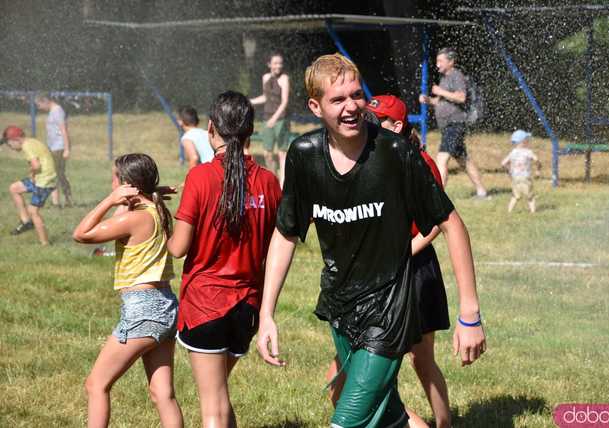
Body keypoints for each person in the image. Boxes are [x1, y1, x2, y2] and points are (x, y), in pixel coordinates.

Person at [257, 53, 486, 428]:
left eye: (356, 95)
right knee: (388, 418)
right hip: (341, 307)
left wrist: (470, 313)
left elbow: (451, 223)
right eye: (338, 100)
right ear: (315, 106)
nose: (351, 107)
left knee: (345, 422)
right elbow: (286, 233)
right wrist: (267, 314)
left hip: (390, 311)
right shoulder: (304, 156)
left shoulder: (395, 153)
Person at [324, 95, 453, 428]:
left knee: (420, 360)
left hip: (414, 270)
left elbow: (440, 223)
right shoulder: (370, 157)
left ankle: (441, 424)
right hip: (376, 274)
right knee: (345, 367)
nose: (365, 122)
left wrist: (400, 254)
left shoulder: (420, 161)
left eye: (375, 118)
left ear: (396, 126)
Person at [167, 91, 281, 427]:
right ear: (251, 130)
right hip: (247, 309)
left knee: (212, 410)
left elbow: (178, 248)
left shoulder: (201, 177)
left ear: (211, 128)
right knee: (220, 397)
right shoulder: (270, 183)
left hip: (206, 304)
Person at [72, 153, 183, 428]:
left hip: (143, 310)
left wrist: (110, 200)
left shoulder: (134, 219)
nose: (111, 183)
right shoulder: (156, 209)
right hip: (167, 306)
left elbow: (82, 234)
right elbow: (144, 201)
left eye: (114, 178)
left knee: (96, 385)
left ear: (125, 183)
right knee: (162, 394)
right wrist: (150, 192)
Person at [418, 48, 488, 198]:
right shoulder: (445, 78)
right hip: (448, 125)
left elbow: (461, 97)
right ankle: (482, 191)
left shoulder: (457, 76)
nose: (437, 64)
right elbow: (442, 101)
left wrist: (440, 92)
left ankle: (438, 197)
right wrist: (429, 100)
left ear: (451, 62)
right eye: (437, 61)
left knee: (441, 159)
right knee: (464, 160)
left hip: (455, 124)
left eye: (440, 61)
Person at [2, 125, 57, 245]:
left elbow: (36, 166)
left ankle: (45, 243)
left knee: (33, 211)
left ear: (15, 139)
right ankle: (26, 222)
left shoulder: (27, 146)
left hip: (44, 182)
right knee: (14, 188)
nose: (9, 147)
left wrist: (31, 173)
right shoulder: (32, 141)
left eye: (9, 144)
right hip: (40, 178)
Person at [250, 52, 290, 186]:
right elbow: (265, 97)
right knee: (267, 153)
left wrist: (274, 118)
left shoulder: (285, 78)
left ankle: (282, 182)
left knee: (282, 153)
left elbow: (284, 102)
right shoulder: (265, 77)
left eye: (280, 63)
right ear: (269, 64)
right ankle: (273, 179)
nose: (278, 65)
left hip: (281, 119)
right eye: (275, 63)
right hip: (267, 118)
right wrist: (250, 101)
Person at [35, 94, 74, 207]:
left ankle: (63, 200)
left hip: (59, 148)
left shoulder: (57, 111)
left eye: (39, 104)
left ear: (45, 100)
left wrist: (66, 149)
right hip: (54, 147)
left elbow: (63, 130)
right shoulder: (53, 111)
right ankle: (59, 201)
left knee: (56, 174)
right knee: (58, 174)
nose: (39, 108)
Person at [501, 130, 541, 213]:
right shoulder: (528, 152)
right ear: (524, 142)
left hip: (515, 178)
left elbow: (503, 163)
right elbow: (537, 160)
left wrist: (509, 171)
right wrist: (538, 169)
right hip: (526, 178)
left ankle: (509, 211)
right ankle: (533, 212)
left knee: (515, 196)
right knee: (530, 196)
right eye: (527, 139)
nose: (529, 141)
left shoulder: (513, 152)